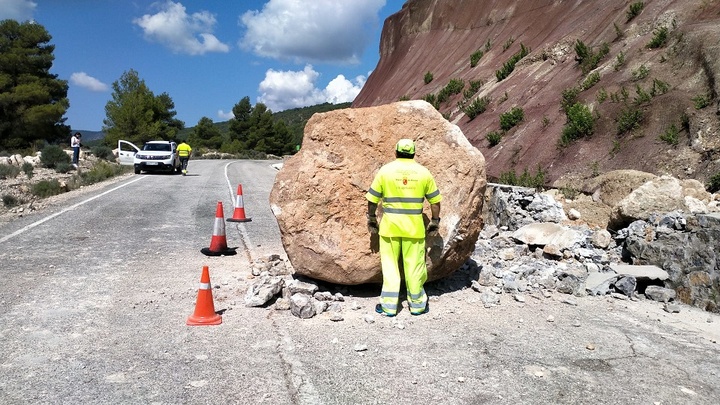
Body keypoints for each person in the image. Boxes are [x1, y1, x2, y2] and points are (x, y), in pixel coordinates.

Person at [365, 138, 442, 317]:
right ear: (414, 153)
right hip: (414, 229)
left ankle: (389, 306)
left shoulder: (386, 171)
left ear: (396, 152)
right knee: (414, 267)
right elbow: (435, 201)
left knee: (390, 267)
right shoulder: (423, 173)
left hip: (389, 228)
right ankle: (417, 305)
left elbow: (372, 199)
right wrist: (435, 221)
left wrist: (371, 219)